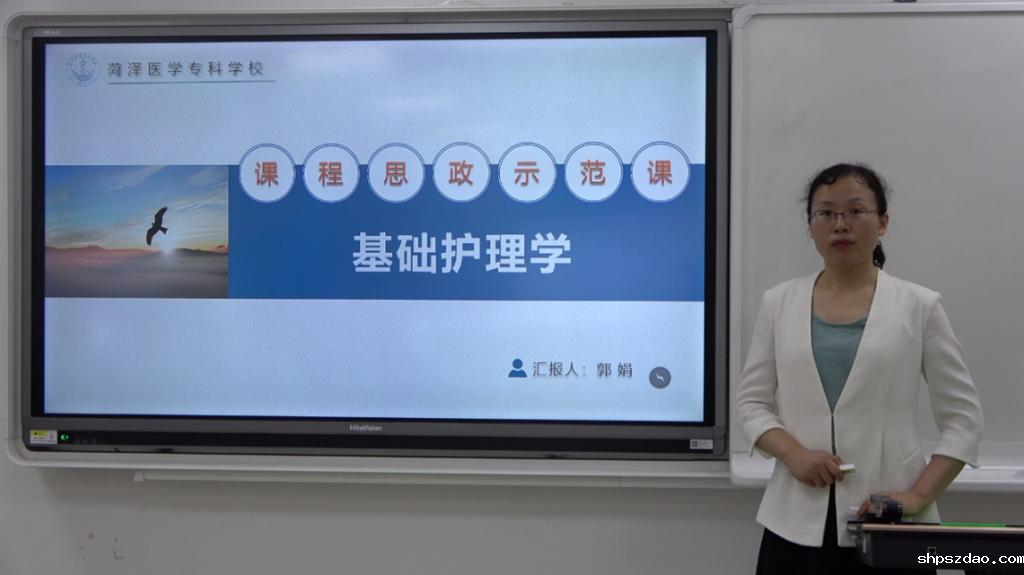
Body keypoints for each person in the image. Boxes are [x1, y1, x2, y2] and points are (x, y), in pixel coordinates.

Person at [734, 163, 984, 574]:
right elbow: (751, 403)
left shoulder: (919, 306)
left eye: (855, 211)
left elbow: (964, 419)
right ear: (811, 226)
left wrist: (918, 496)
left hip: (891, 522)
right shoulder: (779, 302)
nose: (840, 224)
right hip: (794, 524)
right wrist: (793, 453)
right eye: (826, 213)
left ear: (882, 222)